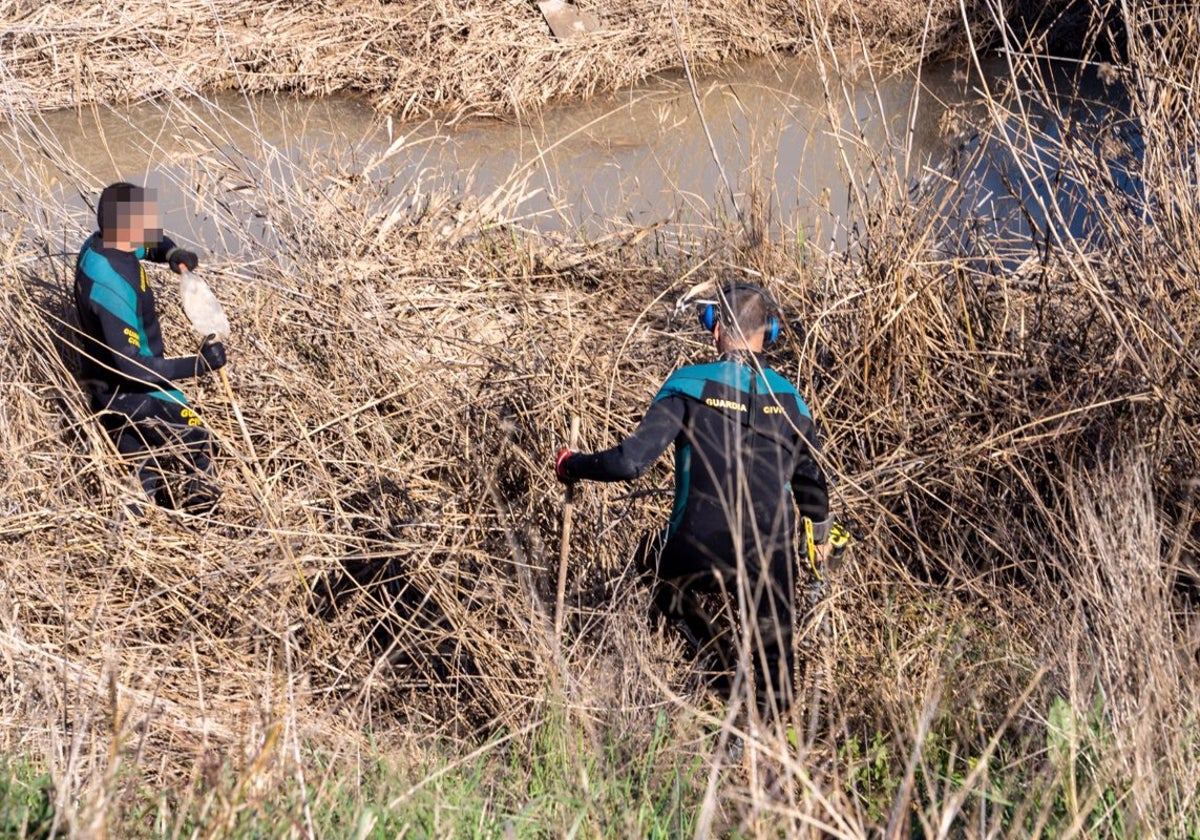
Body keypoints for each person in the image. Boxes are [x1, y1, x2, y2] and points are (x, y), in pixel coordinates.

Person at [554, 281, 831, 721]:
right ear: (771, 332)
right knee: (778, 678)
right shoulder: (793, 402)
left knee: (650, 558)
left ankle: (721, 669)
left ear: (715, 327)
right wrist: (817, 542)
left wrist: (571, 464)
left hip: (694, 549)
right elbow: (814, 490)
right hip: (770, 554)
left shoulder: (687, 385)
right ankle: (775, 755)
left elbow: (629, 463)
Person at [74, 182, 226, 514]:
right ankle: (207, 528)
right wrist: (197, 365)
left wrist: (173, 256)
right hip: (130, 394)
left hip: (110, 389)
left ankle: (131, 536)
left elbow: (154, 242)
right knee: (202, 441)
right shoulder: (110, 283)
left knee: (144, 468)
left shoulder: (103, 244)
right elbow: (132, 366)